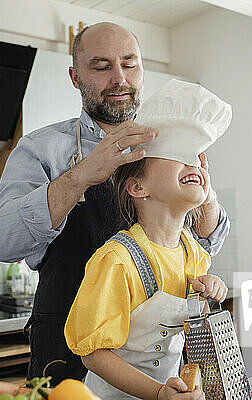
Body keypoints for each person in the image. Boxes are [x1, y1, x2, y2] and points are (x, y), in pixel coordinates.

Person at [0, 22, 230, 385]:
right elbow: (3, 241)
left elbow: (204, 244)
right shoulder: (42, 148)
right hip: (67, 355)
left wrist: (203, 188)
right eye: (101, 66)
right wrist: (82, 175)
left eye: (129, 64)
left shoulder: (170, 142)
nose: (119, 78)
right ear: (75, 76)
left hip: (160, 364)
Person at [64, 79, 231, 400]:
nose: (194, 163)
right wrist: (158, 393)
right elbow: (93, 353)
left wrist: (211, 291)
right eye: (178, 156)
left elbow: (193, 322)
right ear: (138, 187)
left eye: (196, 158)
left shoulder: (192, 253)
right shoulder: (116, 261)